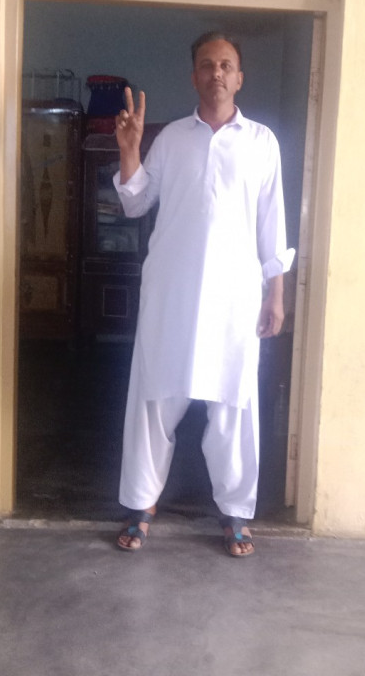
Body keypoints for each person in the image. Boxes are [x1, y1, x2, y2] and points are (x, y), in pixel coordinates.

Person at [113, 32, 294, 557]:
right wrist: (130, 150)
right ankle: (141, 505)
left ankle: (235, 512)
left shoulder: (260, 142)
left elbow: (272, 224)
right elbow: (135, 203)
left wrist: (275, 295)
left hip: (235, 297)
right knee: (154, 399)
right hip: (171, 292)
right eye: (207, 65)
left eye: (226, 65)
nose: (217, 72)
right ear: (194, 76)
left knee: (233, 404)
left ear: (239, 78)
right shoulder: (172, 138)